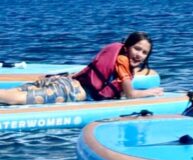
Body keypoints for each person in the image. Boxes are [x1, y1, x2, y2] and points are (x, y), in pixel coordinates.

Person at [0, 32, 161, 105]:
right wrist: (150, 92)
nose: (139, 55)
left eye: (144, 52)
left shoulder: (119, 58)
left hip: (63, 82)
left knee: (11, 93)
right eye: (136, 48)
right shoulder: (122, 61)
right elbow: (131, 94)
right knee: (14, 99)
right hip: (70, 90)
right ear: (127, 47)